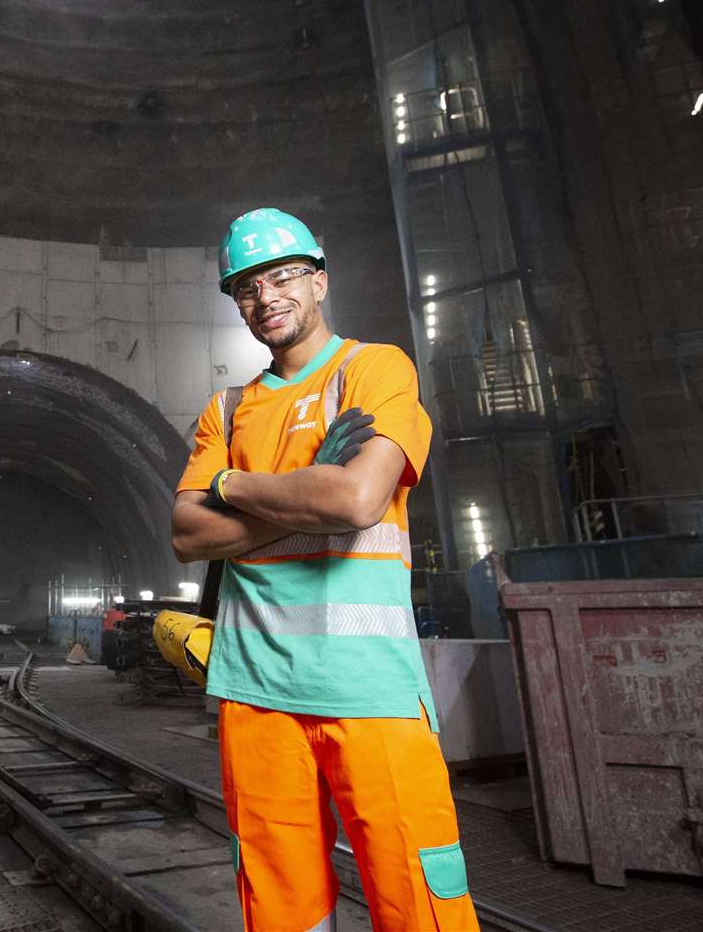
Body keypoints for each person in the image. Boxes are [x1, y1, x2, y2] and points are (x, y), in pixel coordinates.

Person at [171, 208, 478, 932]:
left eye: (282, 276)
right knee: (279, 903)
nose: (265, 297)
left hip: (367, 685)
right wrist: (308, 486)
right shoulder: (228, 407)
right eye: (245, 287)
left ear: (318, 283)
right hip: (254, 691)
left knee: (415, 893)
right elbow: (186, 534)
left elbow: (356, 498)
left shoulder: (372, 368)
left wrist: (234, 488)